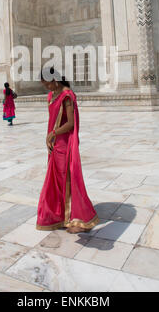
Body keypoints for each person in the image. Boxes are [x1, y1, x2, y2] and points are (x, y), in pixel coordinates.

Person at [36, 68, 99, 234]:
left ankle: (77, 219)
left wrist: (53, 134)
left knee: (68, 180)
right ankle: (60, 216)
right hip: (55, 145)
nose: (47, 87)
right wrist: (50, 138)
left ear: (55, 80)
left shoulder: (67, 96)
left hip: (64, 144)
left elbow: (70, 123)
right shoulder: (52, 95)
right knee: (56, 180)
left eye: (48, 83)